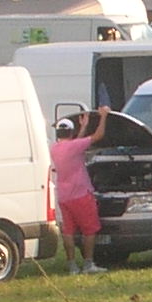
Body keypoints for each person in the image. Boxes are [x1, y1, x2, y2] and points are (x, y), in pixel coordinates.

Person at [51, 108, 109, 275]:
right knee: (89, 230)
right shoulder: (74, 146)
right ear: (71, 132)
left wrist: (84, 126)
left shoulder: (55, 148)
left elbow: (75, 144)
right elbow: (98, 136)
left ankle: (72, 266)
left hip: (63, 196)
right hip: (81, 194)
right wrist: (103, 116)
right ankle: (88, 264)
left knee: (68, 231)